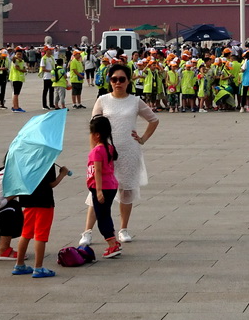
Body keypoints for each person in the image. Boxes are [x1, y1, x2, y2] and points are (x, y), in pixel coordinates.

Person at [80, 62, 160, 247]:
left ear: (128, 81)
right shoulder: (102, 100)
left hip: (128, 151)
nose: (118, 83)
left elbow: (153, 120)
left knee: (126, 190)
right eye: (114, 79)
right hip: (104, 152)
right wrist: (95, 152)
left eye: (122, 79)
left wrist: (142, 138)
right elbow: (94, 129)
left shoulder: (135, 101)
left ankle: (123, 229)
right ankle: (87, 231)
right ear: (109, 81)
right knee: (96, 191)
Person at [11, 160, 69, 278]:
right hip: (44, 202)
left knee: (26, 233)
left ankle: (19, 264)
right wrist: (63, 173)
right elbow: (51, 183)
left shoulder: (24, 160)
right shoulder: (47, 160)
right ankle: (38, 268)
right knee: (41, 235)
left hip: (27, 200)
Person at [86, 115, 122, 258]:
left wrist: (99, 190)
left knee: (102, 217)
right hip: (111, 186)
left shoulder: (97, 150)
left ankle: (112, 245)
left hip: (102, 187)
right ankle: (114, 241)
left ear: (97, 134)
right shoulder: (109, 147)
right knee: (105, 214)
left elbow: (98, 171)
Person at [38, 46, 55, 111]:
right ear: (46, 51)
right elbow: (43, 68)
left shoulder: (52, 58)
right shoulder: (44, 58)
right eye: (50, 50)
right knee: (45, 91)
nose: (51, 51)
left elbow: (54, 66)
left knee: (52, 91)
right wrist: (50, 71)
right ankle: (44, 105)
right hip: (46, 77)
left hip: (52, 77)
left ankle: (51, 104)